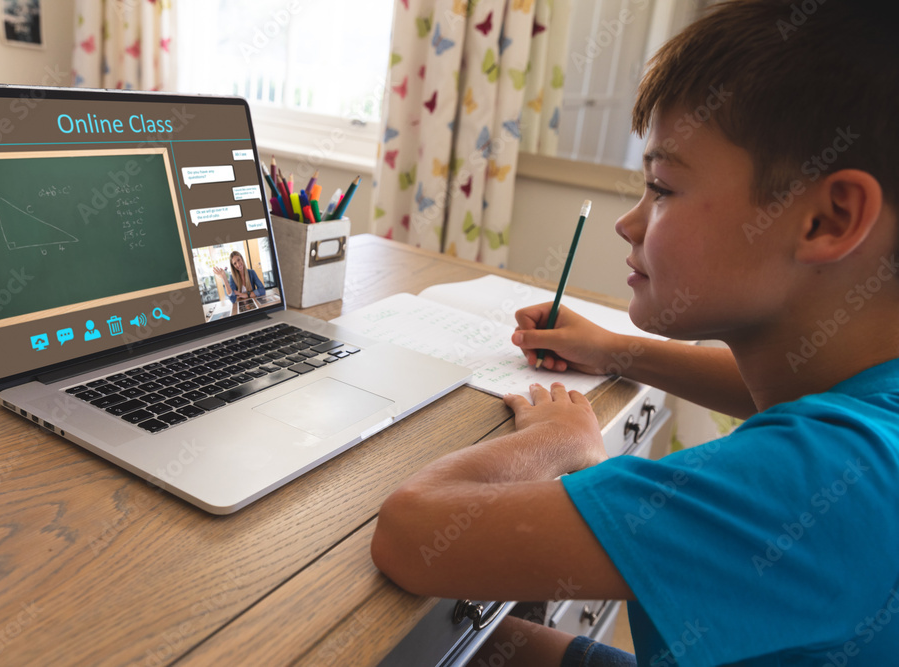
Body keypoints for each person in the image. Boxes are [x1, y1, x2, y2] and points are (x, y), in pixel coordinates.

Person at [370, 1, 899, 665]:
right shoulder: (869, 401)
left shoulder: (824, 478)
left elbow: (409, 531)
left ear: (829, 219)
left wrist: (561, 444)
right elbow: (758, 387)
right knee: (468, 644)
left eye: (663, 186)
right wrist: (611, 347)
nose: (630, 222)